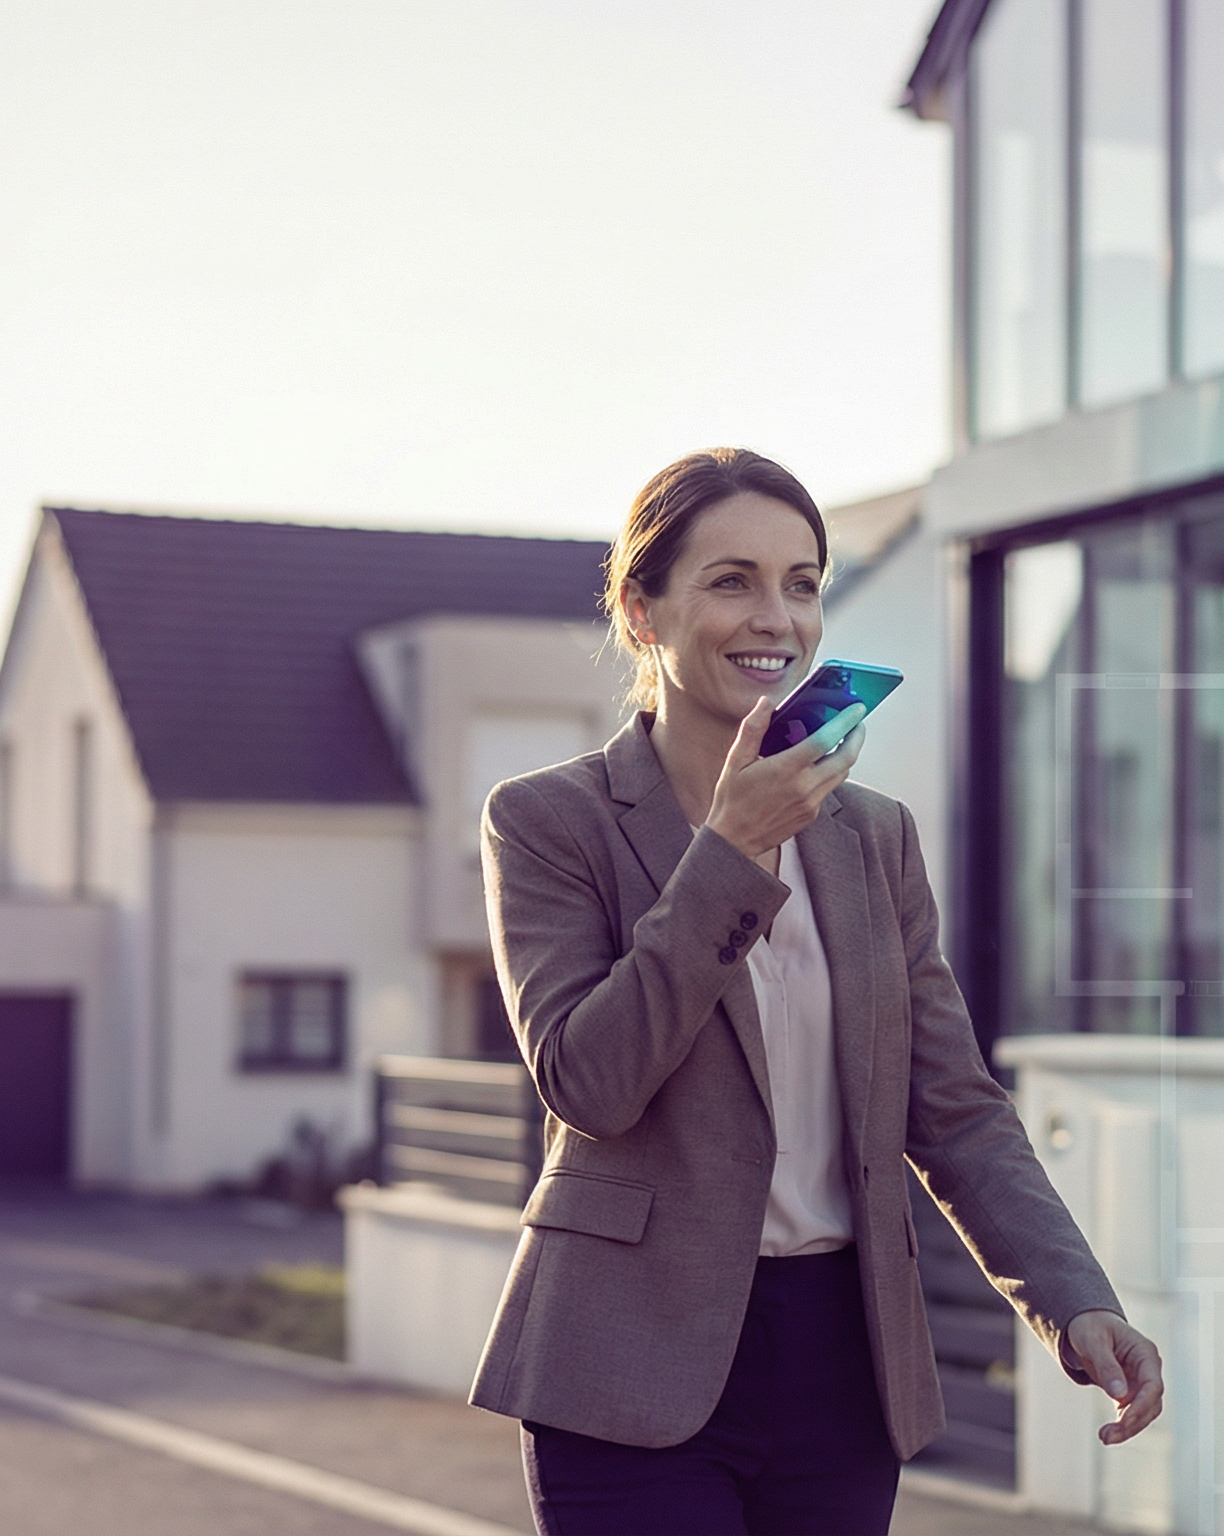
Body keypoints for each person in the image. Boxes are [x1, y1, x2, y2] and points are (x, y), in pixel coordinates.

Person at [471, 448, 1164, 1535]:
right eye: (732, 579)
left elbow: (952, 1105)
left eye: (802, 583)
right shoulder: (548, 821)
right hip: (622, 1361)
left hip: (840, 1364)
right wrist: (731, 853)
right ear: (643, 612)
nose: (776, 617)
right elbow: (588, 1082)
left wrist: (1071, 1298)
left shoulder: (872, 837)